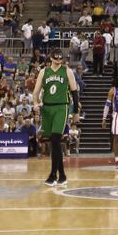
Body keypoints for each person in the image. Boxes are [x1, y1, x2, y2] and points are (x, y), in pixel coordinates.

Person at [38, 51, 80, 186]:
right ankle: (62, 175)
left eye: (60, 59)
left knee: (56, 139)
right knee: (53, 142)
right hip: (47, 108)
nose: (59, 62)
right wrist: (35, 102)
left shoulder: (67, 71)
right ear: (50, 59)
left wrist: (76, 112)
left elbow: (74, 92)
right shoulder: (45, 72)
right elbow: (37, 90)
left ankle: (52, 175)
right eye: (56, 60)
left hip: (62, 107)